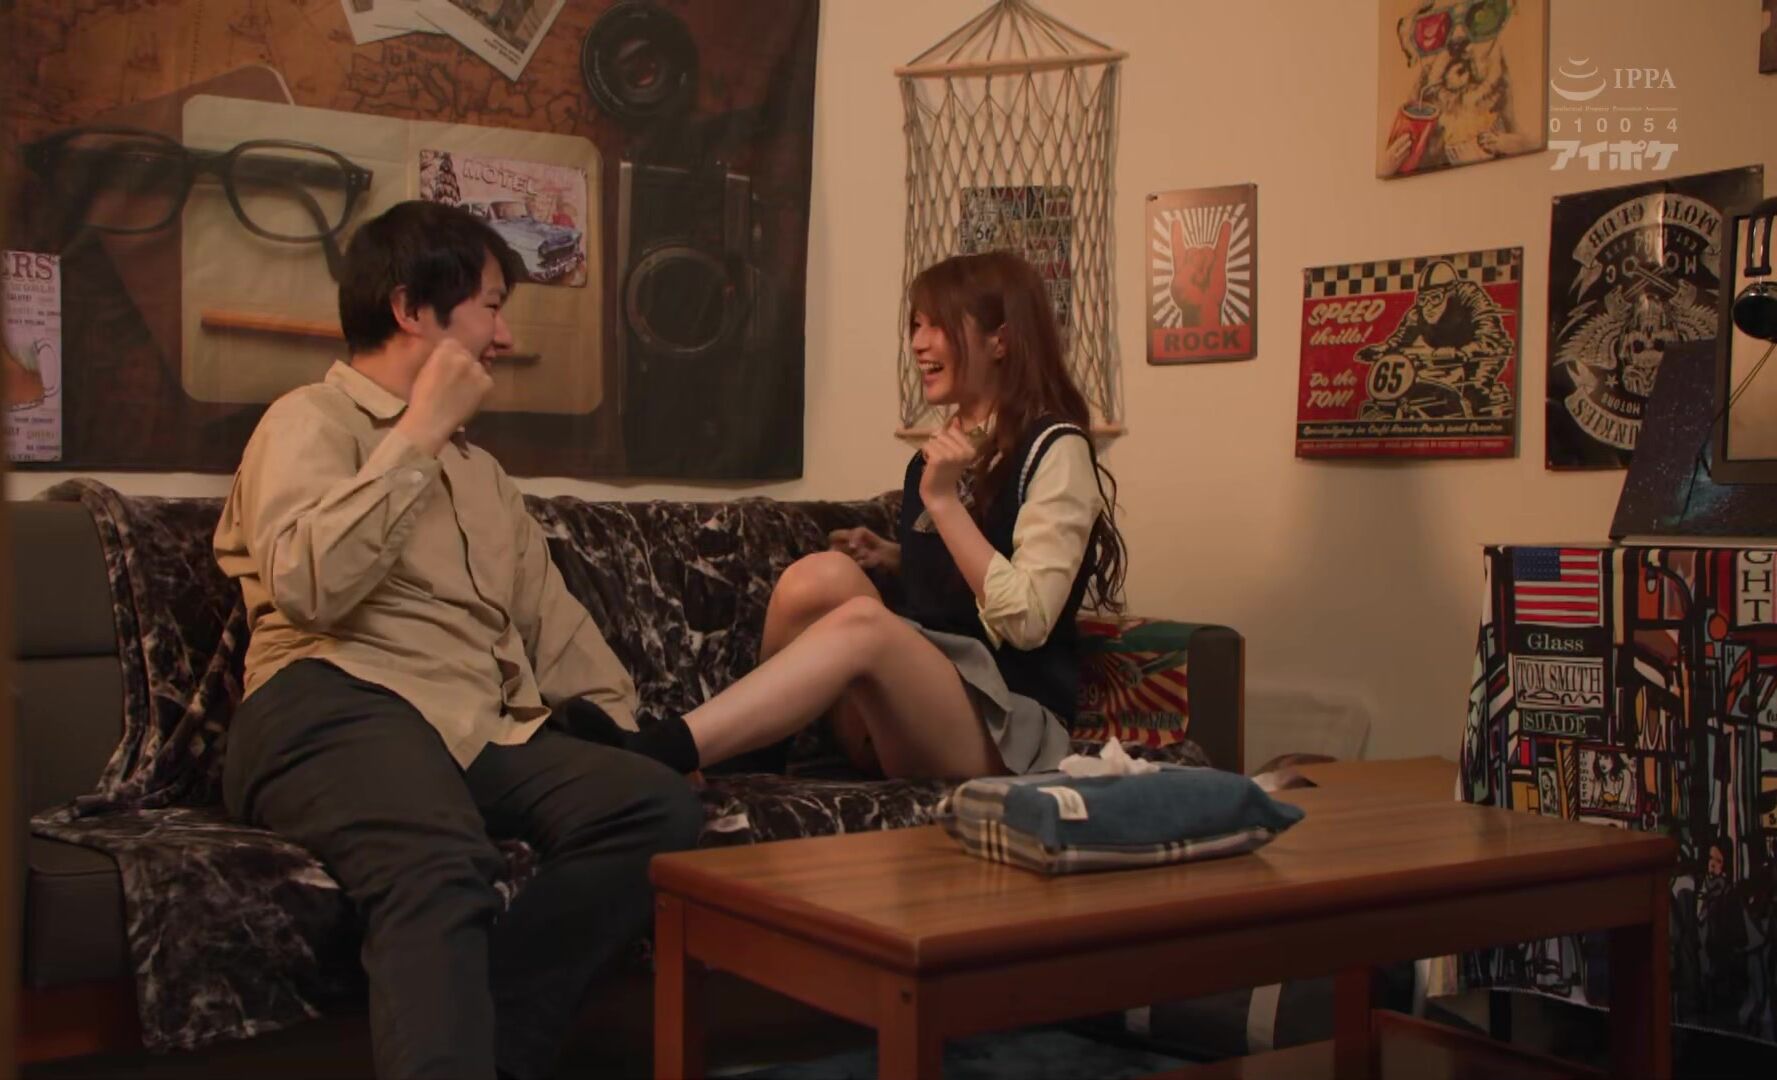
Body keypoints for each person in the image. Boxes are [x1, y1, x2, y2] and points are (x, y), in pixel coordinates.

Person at [213, 200, 703, 1080]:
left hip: (475, 725)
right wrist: (419, 432)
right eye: (490, 306)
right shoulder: (308, 421)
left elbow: (555, 628)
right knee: (437, 865)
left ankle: (486, 1056)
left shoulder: (483, 475)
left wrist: (625, 738)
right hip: (330, 701)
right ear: (411, 309)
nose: (504, 336)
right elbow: (308, 586)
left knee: (654, 808)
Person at [614, 250, 1126, 780]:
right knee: (819, 576)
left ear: (1001, 340)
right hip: (918, 708)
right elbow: (963, 588)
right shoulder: (940, 454)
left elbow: (1027, 621)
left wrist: (943, 503)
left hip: (1008, 728)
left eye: (938, 325)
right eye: (916, 325)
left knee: (867, 625)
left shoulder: (1054, 449)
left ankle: (662, 751)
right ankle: (752, 769)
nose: (919, 343)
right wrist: (899, 559)